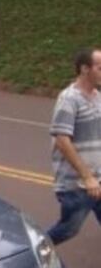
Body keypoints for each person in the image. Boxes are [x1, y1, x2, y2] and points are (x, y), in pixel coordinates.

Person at [46, 48, 101, 245]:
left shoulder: (97, 96)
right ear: (85, 69)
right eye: (100, 68)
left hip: (97, 179)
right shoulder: (69, 99)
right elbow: (62, 140)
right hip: (77, 184)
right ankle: (33, 252)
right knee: (68, 229)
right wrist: (87, 177)